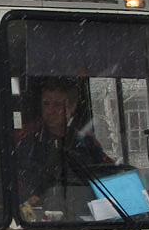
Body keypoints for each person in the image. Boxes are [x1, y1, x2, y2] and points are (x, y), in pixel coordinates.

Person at [14, 78, 110, 219]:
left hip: (83, 216)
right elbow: (12, 178)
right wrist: (27, 196)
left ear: (72, 107)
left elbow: (107, 172)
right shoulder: (26, 140)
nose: (50, 111)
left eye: (57, 105)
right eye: (46, 104)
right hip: (36, 217)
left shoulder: (86, 142)